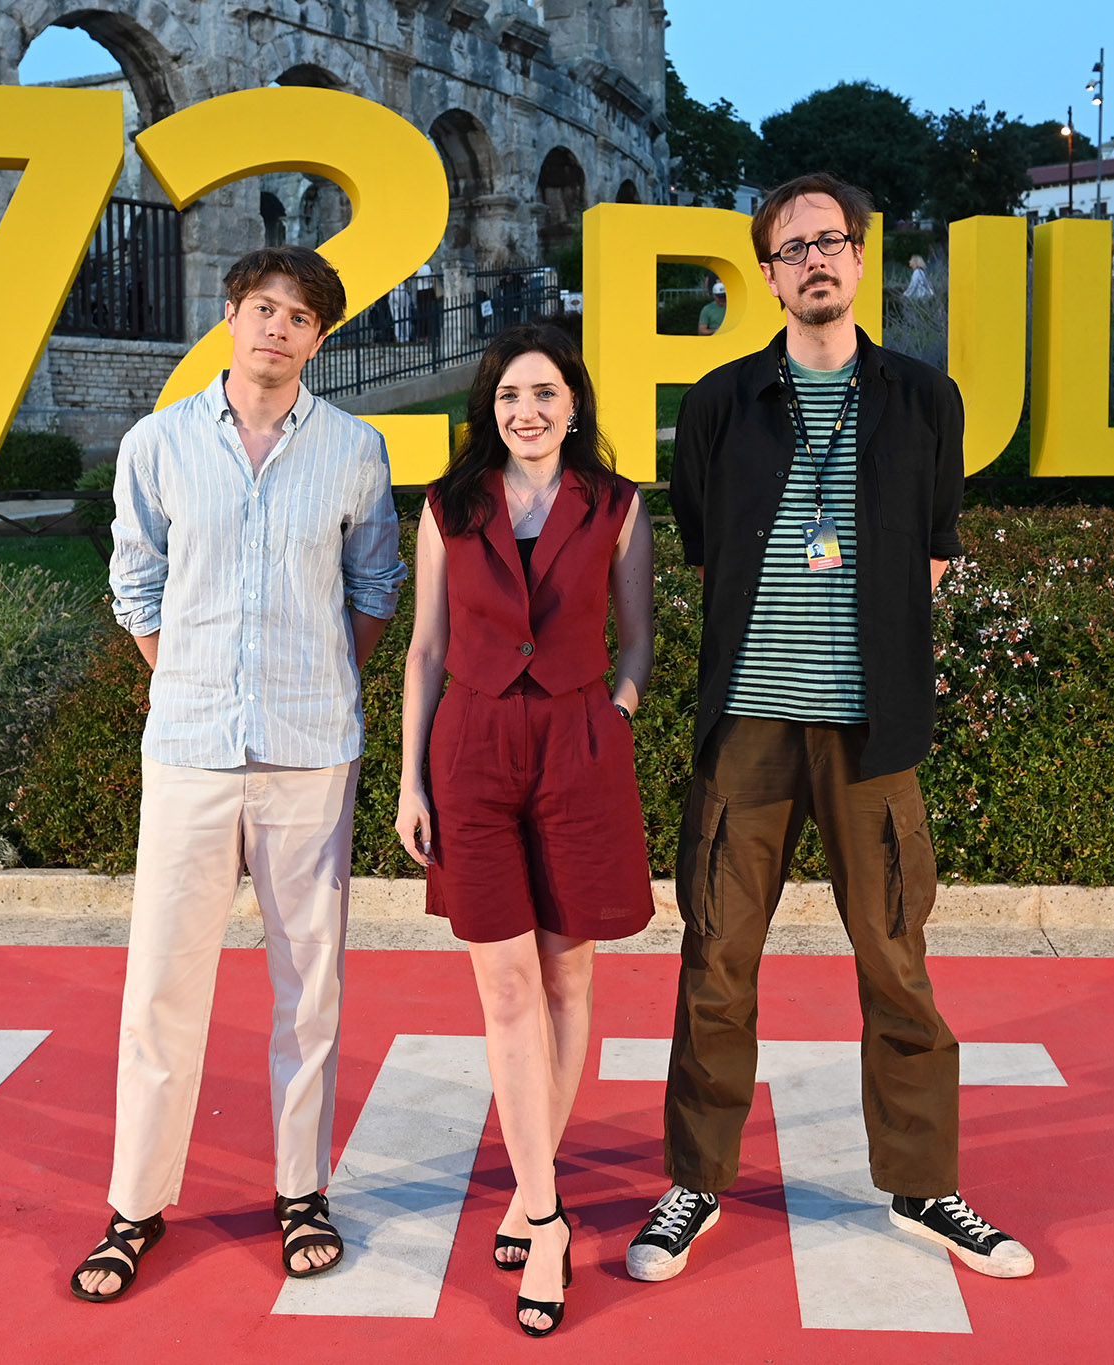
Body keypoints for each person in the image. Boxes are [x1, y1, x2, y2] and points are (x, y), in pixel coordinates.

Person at [628, 171, 1036, 1288]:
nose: (813, 259)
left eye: (830, 241)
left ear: (858, 258)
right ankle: (695, 1180)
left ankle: (921, 1183)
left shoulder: (923, 400)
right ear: (767, 275)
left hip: (872, 732)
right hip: (748, 727)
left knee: (896, 960)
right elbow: (705, 544)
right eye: (791, 247)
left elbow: (935, 549)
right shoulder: (718, 404)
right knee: (717, 958)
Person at [72, 245, 407, 1303]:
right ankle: (136, 1205)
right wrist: (191, 680)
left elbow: (376, 587)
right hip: (190, 752)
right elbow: (136, 583)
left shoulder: (353, 449)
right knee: (161, 986)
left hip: (311, 754)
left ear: (318, 338)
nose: (277, 328)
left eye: (299, 317)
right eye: (264, 308)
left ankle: (301, 1191)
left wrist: (318, 681)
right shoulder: (158, 443)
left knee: (310, 990)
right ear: (230, 316)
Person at [395, 324, 655, 1337]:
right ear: (489, 409)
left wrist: (614, 716)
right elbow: (424, 649)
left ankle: (529, 1184)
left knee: (567, 978)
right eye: (509, 395)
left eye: (544, 392)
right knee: (504, 985)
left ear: (573, 404)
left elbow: (637, 641)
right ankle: (544, 1215)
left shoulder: (617, 505)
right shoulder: (448, 506)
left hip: (578, 748)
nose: (527, 410)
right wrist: (411, 780)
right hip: (472, 749)